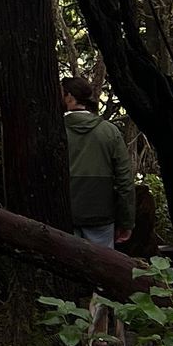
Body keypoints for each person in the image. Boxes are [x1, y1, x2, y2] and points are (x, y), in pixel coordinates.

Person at [63, 74, 134, 248]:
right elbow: (125, 180)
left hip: (62, 213)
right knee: (102, 268)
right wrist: (127, 222)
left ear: (70, 97)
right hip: (100, 215)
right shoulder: (109, 132)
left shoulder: (53, 130)